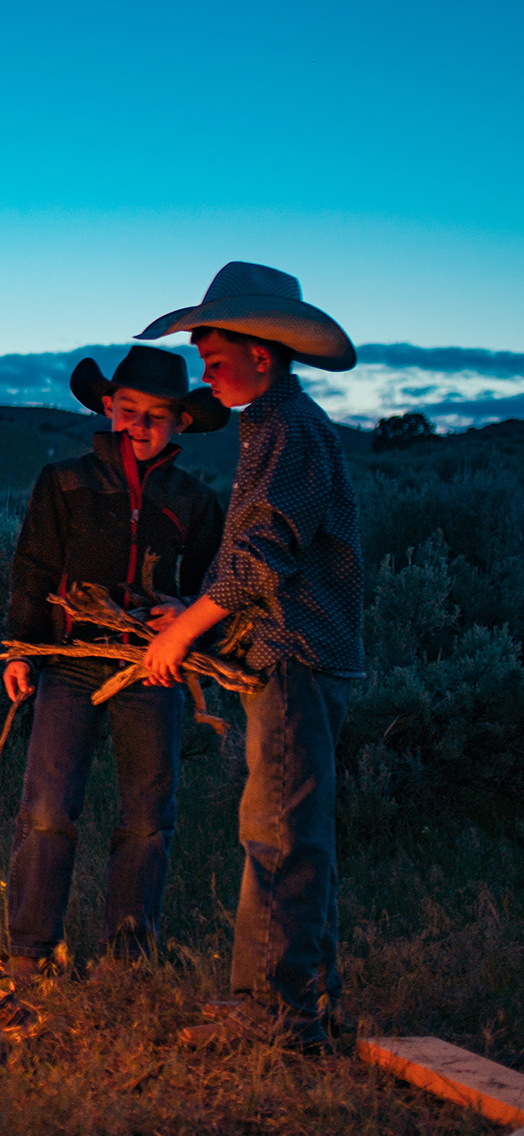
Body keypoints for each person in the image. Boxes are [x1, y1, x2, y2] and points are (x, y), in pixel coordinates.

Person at [133, 263, 361, 1052]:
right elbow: (256, 563)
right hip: (284, 655)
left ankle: (281, 1016)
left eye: (215, 352)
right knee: (282, 828)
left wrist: (182, 630)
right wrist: (191, 613)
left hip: (296, 660)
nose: (204, 369)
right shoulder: (270, 430)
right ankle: (287, 1000)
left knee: (280, 832)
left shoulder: (291, 431)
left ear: (262, 353)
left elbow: (264, 559)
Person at [3, 346, 227, 991]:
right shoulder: (66, 482)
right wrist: (23, 648)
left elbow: (213, 582)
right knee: (46, 806)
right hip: (71, 661)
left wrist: (185, 610)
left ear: (181, 422)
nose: (141, 425)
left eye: (158, 415)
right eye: (129, 410)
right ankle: (30, 954)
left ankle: (125, 962)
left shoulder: (194, 500)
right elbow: (34, 568)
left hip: (152, 667)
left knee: (148, 813)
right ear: (108, 407)